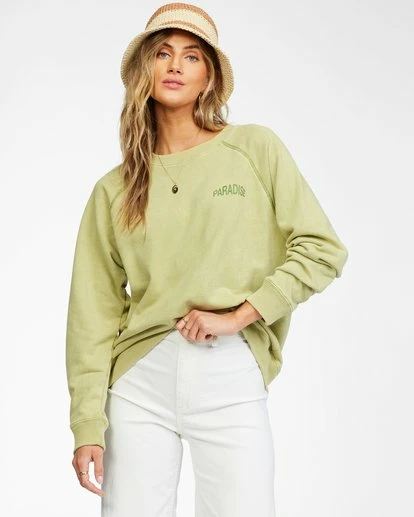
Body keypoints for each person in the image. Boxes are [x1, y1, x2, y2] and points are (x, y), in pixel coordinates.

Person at [65, 3, 349, 516]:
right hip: (138, 384)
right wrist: (87, 423)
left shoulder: (254, 148)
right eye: (163, 53)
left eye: (192, 56)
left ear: (209, 77)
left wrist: (241, 315)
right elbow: (93, 314)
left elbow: (322, 249)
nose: (176, 65)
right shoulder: (114, 189)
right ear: (144, 69)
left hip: (230, 371)